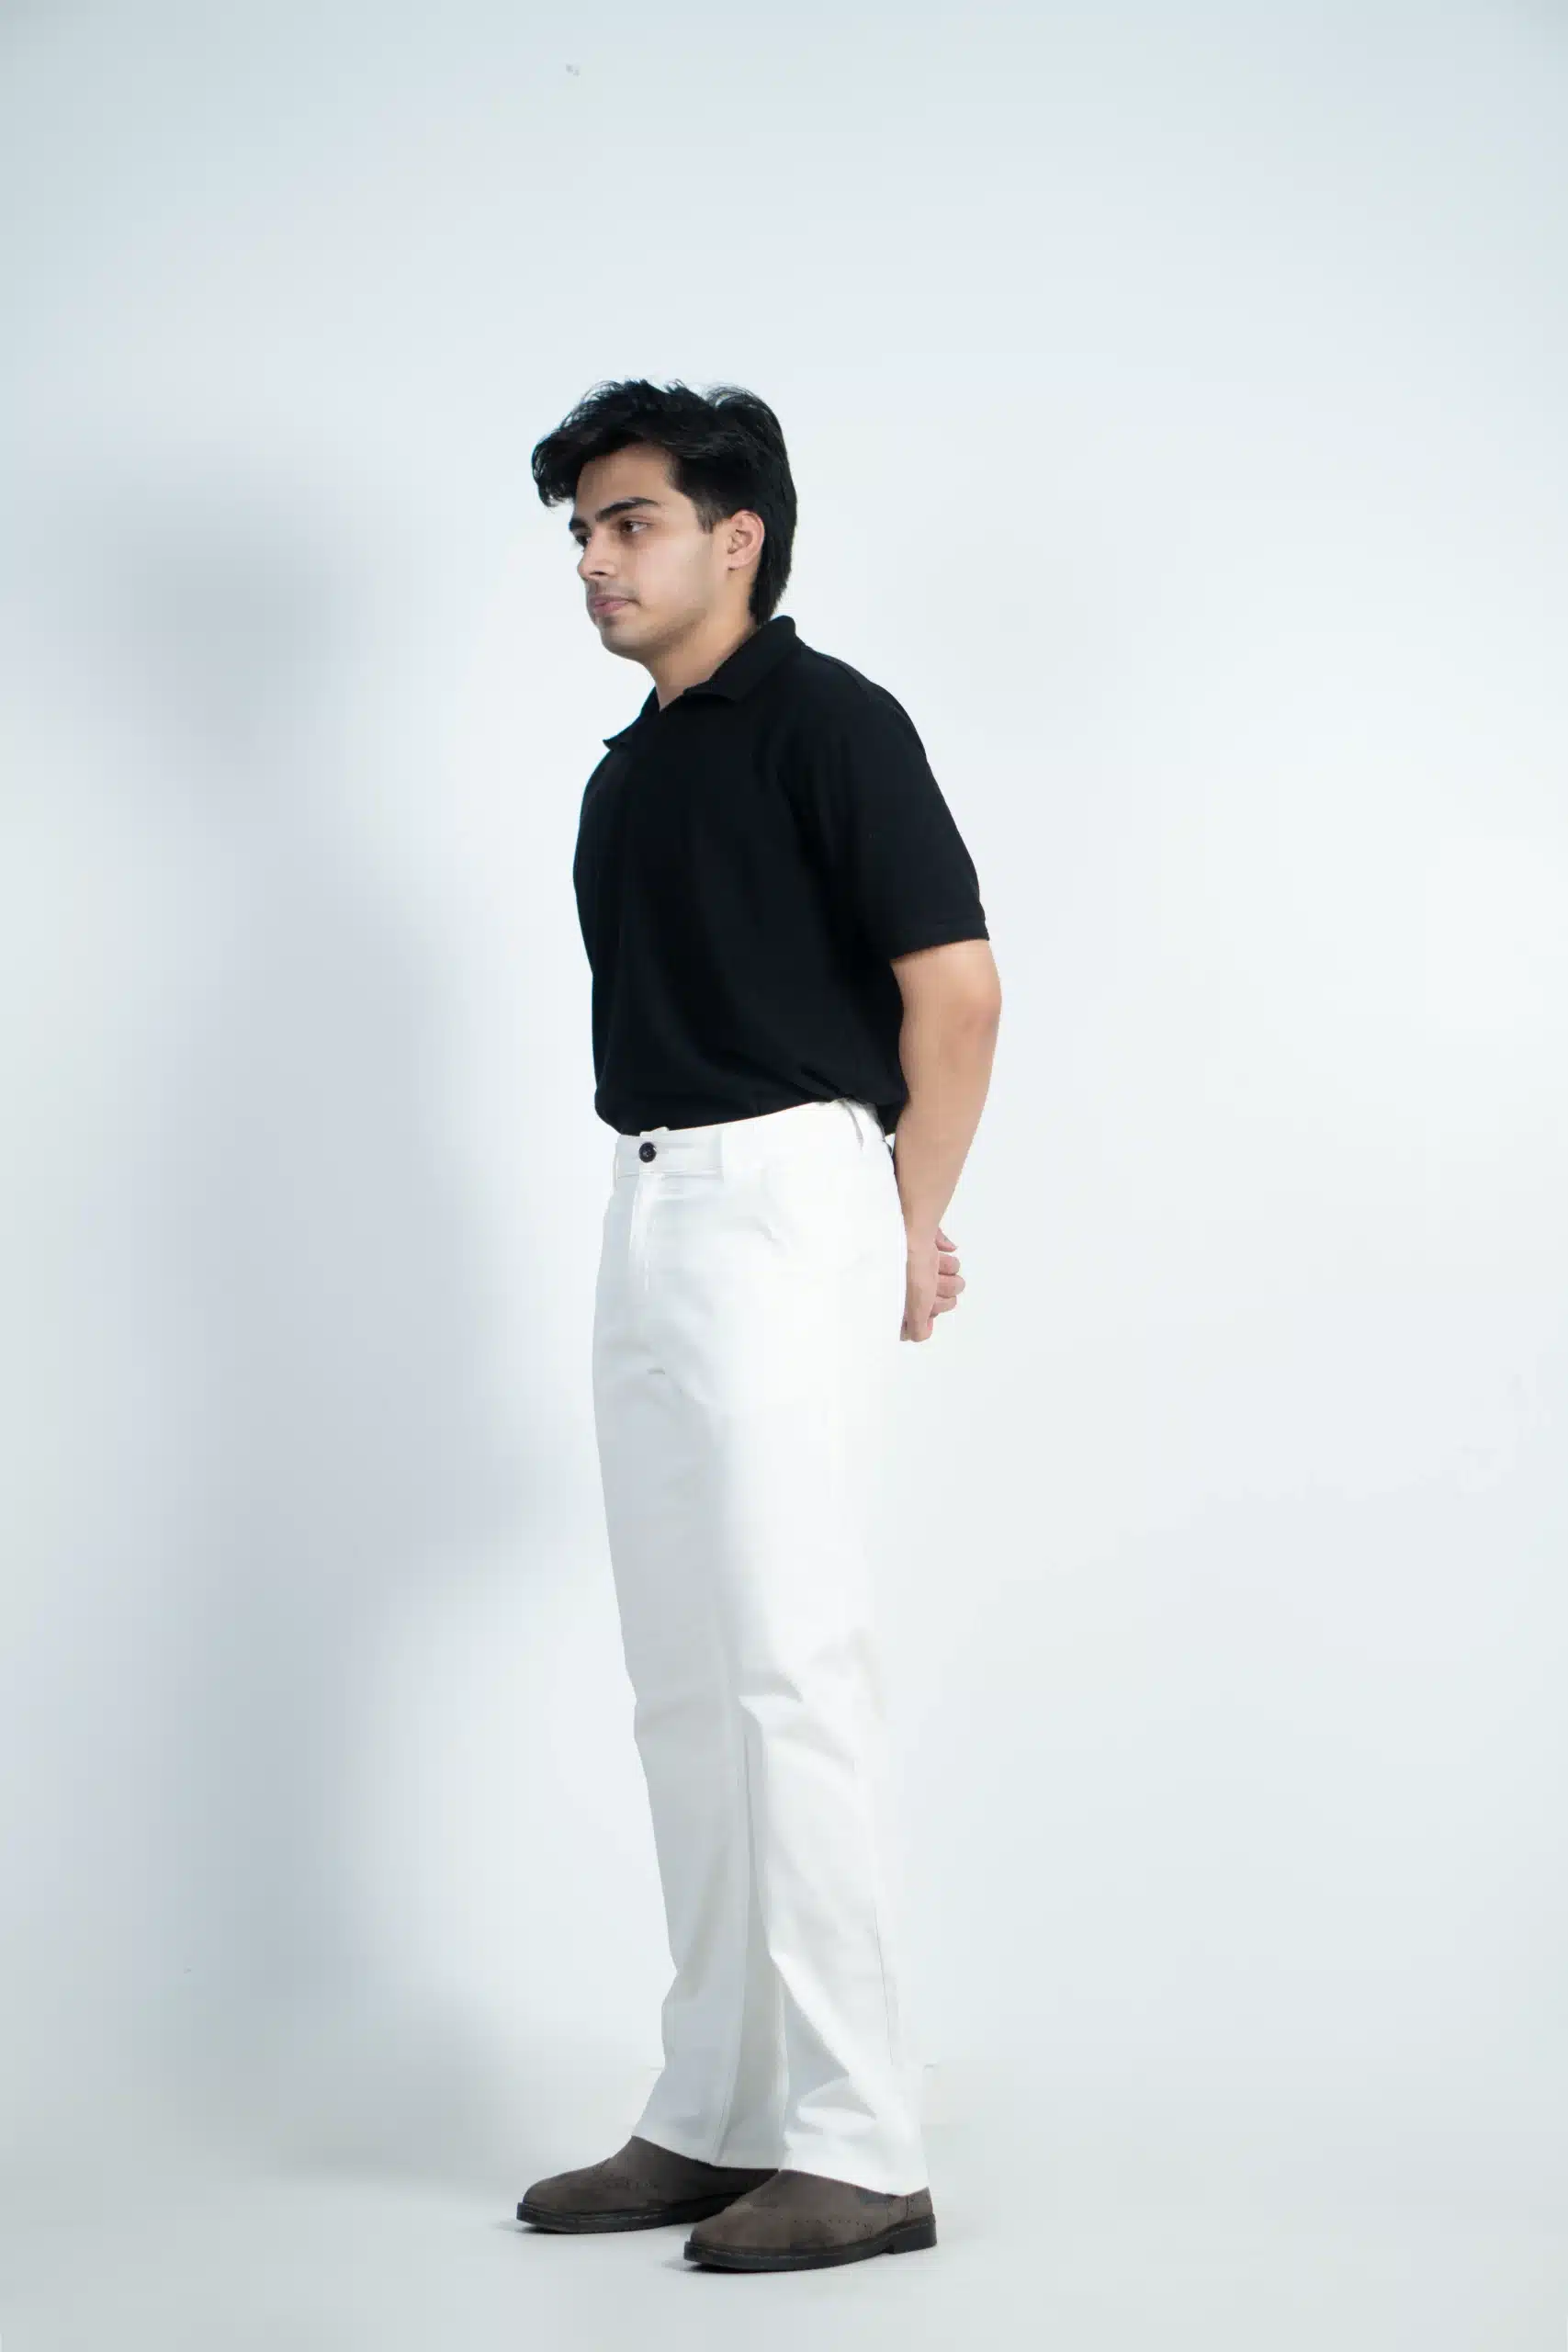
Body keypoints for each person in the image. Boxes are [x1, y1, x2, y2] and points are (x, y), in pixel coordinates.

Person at [516, 379, 1000, 2273]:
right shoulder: (626, 772)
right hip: (646, 1206)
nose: (594, 559)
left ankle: (862, 2140)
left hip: (788, 1191)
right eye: (581, 530)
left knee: (789, 1667)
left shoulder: (830, 722)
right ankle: (719, 2107)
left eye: (628, 521)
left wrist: (905, 1220)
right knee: (682, 1681)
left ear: (740, 537)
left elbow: (953, 991)